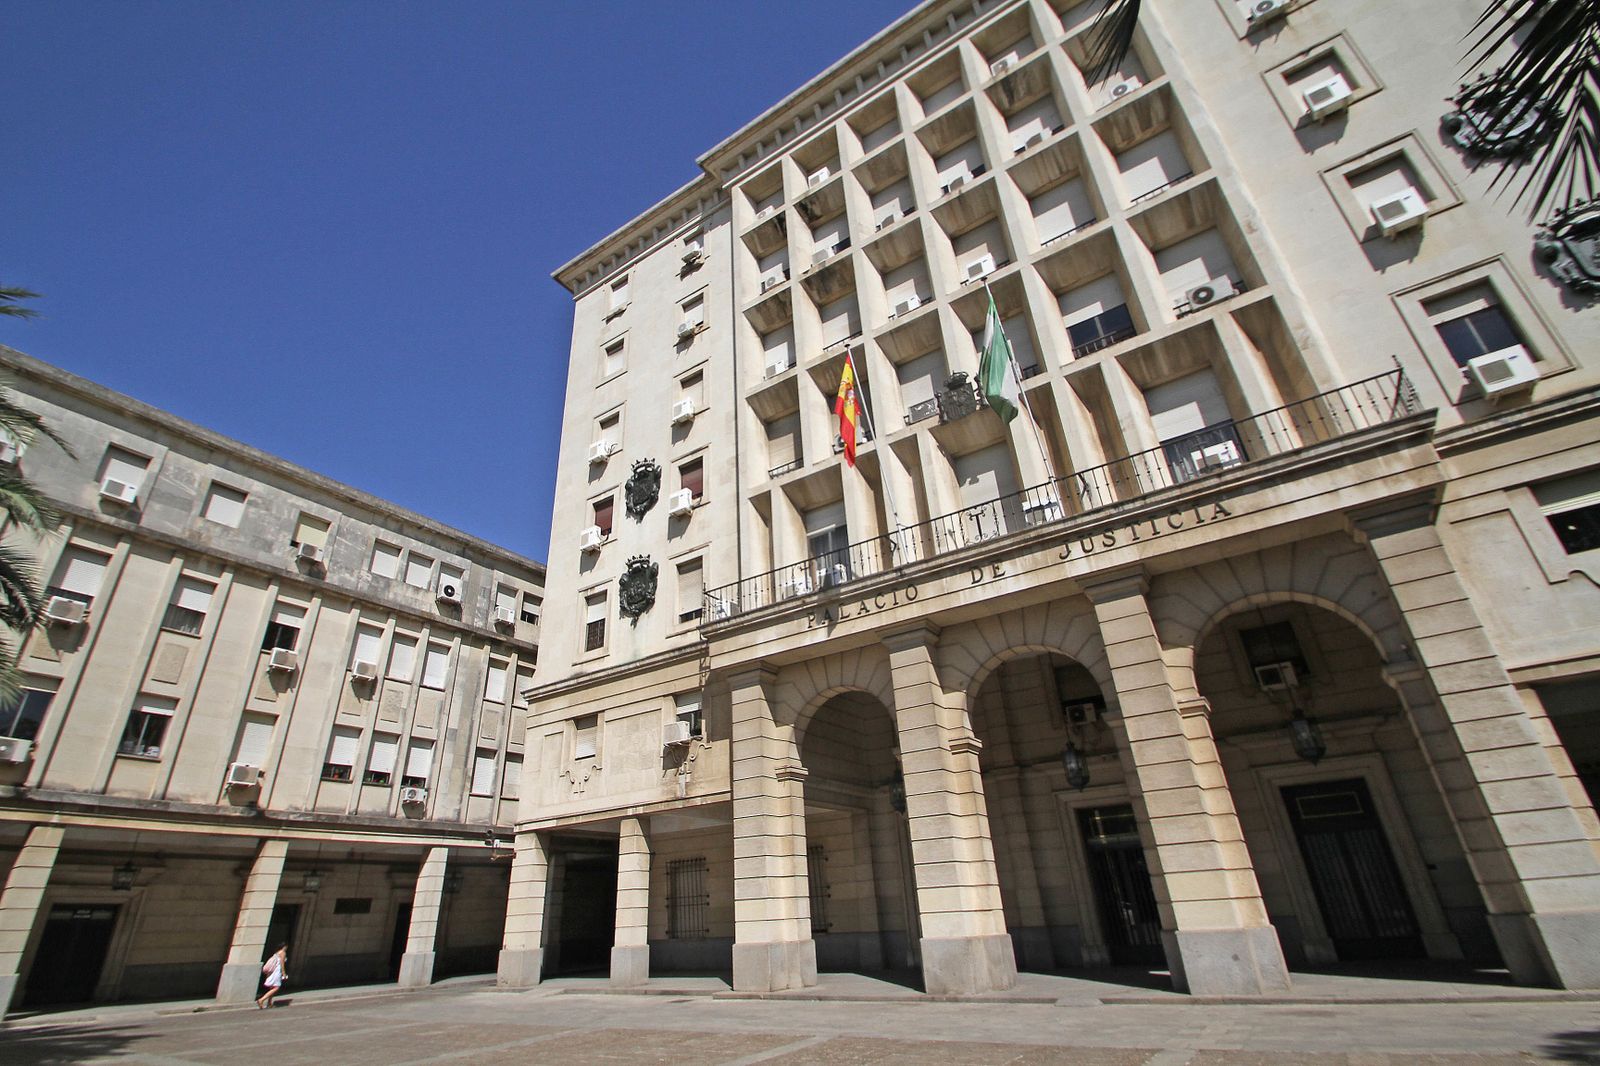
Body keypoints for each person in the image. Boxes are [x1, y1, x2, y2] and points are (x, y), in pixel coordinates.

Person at [257, 945, 288, 1009]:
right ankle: (262, 1000)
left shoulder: (276, 953)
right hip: (276, 972)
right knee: (276, 987)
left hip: (272, 971)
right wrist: (283, 973)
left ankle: (269, 1003)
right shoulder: (283, 952)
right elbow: (282, 963)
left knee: (272, 988)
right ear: (284, 946)